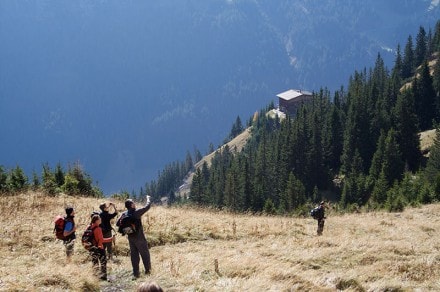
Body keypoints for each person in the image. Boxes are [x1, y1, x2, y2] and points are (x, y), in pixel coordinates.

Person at [121, 197, 152, 278]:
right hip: (139, 237)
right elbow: (147, 207)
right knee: (145, 253)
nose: (134, 204)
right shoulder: (136, 213)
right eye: (133, 203)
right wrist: (148, 198)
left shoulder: (124, 214)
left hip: (130, 237)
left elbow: (118, 223)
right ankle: (148, 271)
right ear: (131, 205)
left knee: (134, 255)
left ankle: (136, 273)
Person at [89, 214, 107, 281]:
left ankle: (95, 276)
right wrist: (111, 239)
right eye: (99, 219)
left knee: (94, 262)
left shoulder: (89, 227)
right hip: (99, 247)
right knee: (103, 262)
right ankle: (103, 277)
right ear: (96, 221)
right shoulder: (98, 228)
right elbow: (101, 240)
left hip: (92, 247)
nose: (101, 220)